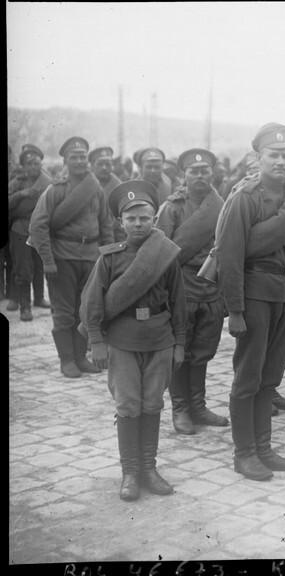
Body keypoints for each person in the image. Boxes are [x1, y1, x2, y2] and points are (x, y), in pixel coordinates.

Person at [80, 179, 185, 501]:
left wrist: (179, 343)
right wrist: (97, 341)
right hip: (123, 341)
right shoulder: (110, 258)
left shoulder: (165, 255)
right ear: (120, 222)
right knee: (128, 406)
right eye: (131, 218)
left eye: (144, 218)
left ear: (154, 220)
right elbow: (93, 302)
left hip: (159, 339)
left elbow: (179, 302)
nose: (138, 224)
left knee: (152, 403)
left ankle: (149, 469)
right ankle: (130, 472)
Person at [215, 123, 285, 480]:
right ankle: (245, 452)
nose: (281, 162)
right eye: (274, 155)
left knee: (271, 375)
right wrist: (235, 310)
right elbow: (230, 257)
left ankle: (264, 447)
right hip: (254, 296)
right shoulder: (245, 197)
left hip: (282, 295)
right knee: (248, 376)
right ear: (259, 158)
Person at [155, 148, 229, 435]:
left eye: (204, 171)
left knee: (203, 351)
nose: (199, 176)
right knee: (180, 351)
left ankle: (198, 406)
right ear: (182, 176)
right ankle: (181, 409)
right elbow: (161, 254)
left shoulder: (223, 205)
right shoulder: (172, 208)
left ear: (213, 173)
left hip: (211, 290)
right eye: (193, 171)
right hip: (182, 291)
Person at [28, 137, 113, 377]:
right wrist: (48, 260)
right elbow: (38, 225)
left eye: (82, 157)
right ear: (65, 161)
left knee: (84, 310)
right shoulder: (55, 189)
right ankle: (67, 360)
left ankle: (80, 357)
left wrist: (108, 257)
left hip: (91, 258)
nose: (79, 161)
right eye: (73, 157)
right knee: (64, 312)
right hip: (63, 258)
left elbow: (106, 224)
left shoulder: (96, 189)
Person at [8, 145, 52, 321]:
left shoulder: (47, 181)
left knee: (39, 264)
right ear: (24, 167)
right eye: (29, 164)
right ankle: (24, 307)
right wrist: (21, 194)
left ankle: (39, 297)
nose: (34, 167)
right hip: (21, 229)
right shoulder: (17, 182)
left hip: (40, 229)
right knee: (24, 268)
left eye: (36, 163)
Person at [90, 146, 125, 242]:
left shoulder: (120, 188)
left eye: (107, 164)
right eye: (100, 164)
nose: (104, 168)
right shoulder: (85, 186)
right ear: (92, 166)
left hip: (112, 240)